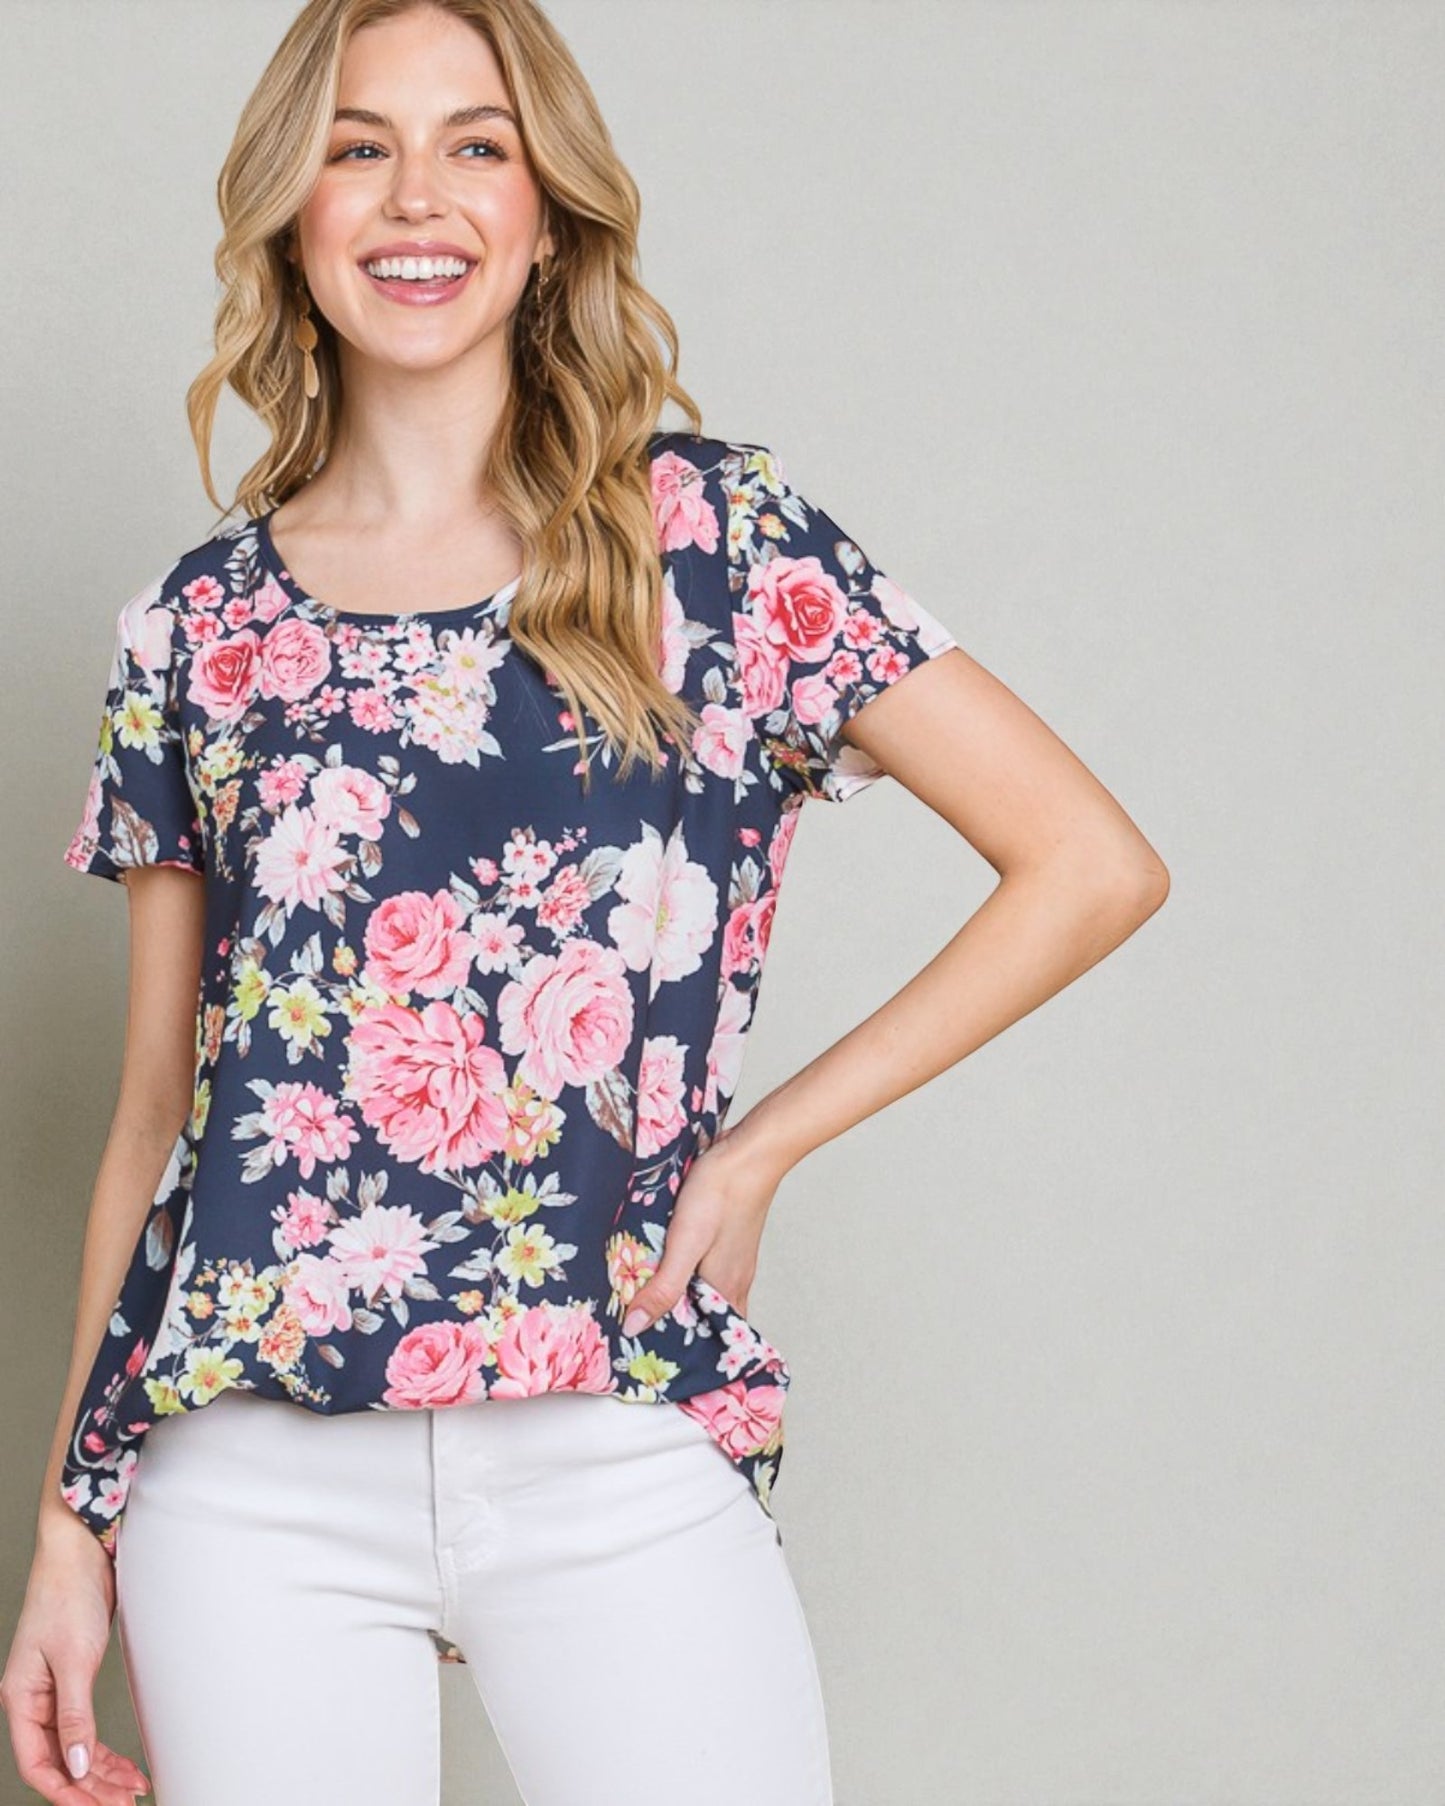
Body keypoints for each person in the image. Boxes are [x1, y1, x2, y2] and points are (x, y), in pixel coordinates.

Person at [2, 2, 1170, 1802]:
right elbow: (160, 1109)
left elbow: (1089, 863)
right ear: (291, 212)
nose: (417, 196)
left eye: (477, 144)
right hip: (244, 1473)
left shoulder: (709, 539)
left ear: (550, 212)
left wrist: (760, 1145)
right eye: (355, 143)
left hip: (610, 1431)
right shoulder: (199, 623)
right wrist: (69, 1531)